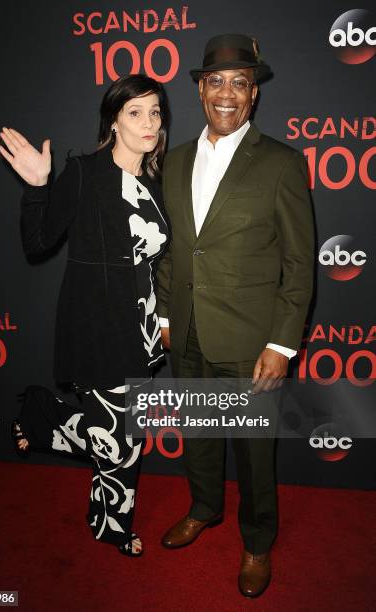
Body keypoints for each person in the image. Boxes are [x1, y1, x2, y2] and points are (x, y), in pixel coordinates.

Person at [157, 34, 314, 596]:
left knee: (254, 456)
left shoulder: (281, 163)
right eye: (217, 82)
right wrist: (168, 318)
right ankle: (204, 508)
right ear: (201, 90)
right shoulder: (170, 164)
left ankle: (257, 542)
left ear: (254, 95)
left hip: (252, 342)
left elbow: (299, 264)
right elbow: (172, 249)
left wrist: (282, 343)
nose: (228, 93)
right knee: (198, 436)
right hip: (188, 334)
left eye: (240, 83)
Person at [0, 74, 170, 557]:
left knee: (127, 440)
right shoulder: (86, 173)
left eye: (155, 111)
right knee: (122, 445)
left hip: (140, 332)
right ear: (113, 121)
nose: (148, 122)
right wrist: (37, 186)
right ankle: (114, 529)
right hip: (97, 328)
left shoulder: (153, 181)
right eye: (135, 112)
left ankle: (45, 424)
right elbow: (37, 245)